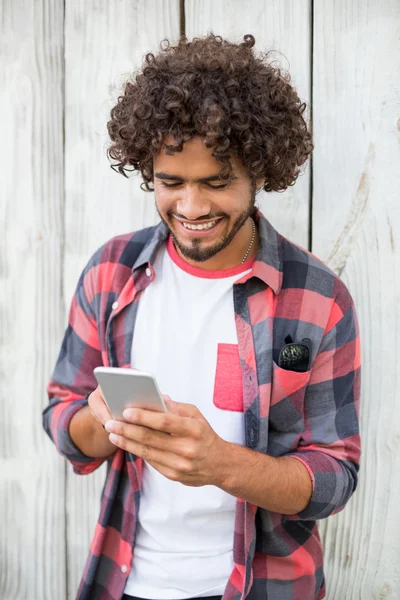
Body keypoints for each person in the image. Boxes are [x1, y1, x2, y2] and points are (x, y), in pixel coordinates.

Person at [42, 33, 361, 600]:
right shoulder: (110, 272)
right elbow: (64, 423)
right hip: (125, 580)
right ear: (148, 170)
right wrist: (99, 421)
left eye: (217, 184)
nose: (191, 208)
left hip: (265, 586)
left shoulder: (318, 299)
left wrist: (223, 465)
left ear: (259, 173)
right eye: (172, 183)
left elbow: (335, 478)